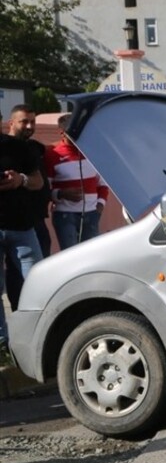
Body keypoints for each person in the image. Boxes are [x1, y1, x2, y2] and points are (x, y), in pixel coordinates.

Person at [1, 116, 46, 345]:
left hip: (22, 228)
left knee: (38, 284)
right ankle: (2, 342)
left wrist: (21, 179)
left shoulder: (18, 147)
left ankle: (41, 338)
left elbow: (38, 182)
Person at [5, 104, 52, 311]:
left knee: (38, 278)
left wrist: (21, 180)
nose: (30, 126)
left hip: (29, 224)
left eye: (32, 121)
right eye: (25, 121)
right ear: (11, 122)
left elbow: (40, 181)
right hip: (10, 223)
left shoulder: (32, 148)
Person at [46, 114, 110, 250]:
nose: (77, 134)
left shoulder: (92, 153)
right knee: (71, 257)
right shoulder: (53, 155)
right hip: (65, 216)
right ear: (62, 133)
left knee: (91, 255)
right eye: (73, 131)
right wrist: (61, 193)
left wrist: (100, 206)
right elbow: (45, 189)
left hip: (92, 214)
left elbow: (103, 183)